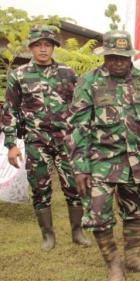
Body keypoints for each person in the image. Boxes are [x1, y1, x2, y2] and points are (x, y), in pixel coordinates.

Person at [68, 30, 140, 281]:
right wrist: (80, 167)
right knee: (98, 214)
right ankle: (113, 263)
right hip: (100, 161)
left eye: (123, 57)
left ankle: (132, 257)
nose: (118, 62)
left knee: (135, 211)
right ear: (105, 55)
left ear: (130, 56)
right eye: (112, 57)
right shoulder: (89, 82)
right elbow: (78, 127)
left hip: (137, 160)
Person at [2, 25, 91, 251]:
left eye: (47, 45)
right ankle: (48, 236)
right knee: (40, 189)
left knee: (74, 187)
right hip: (35, 141)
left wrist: (82, 137)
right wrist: (11, 145)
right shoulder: (19, 76)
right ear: (31, 47)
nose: (43, 49)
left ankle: (77, 231)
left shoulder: (68, 73)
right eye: (38, 45)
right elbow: (10, 110)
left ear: (53, 47)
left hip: (65, 141)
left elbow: (80, 106)